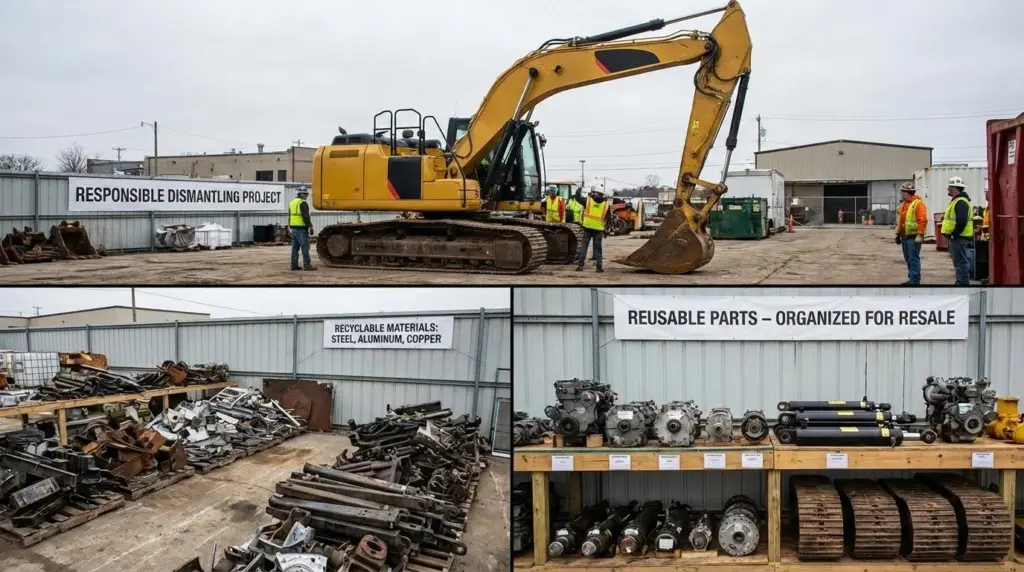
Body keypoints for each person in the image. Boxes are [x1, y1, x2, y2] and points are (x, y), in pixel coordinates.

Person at [940, 176, 973, 285]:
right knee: (959, 262)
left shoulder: (961, 202)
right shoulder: (958, 201)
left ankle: (961, 284)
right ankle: (962, 283)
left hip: (959, 238)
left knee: (960, 263)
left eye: (949, 187)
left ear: (954, 188)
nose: (948, 189)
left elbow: (962, 221)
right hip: (958, 237)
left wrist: (954, 234)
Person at [894, 182, 927, 285]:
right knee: (908, 259)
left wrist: (920, 234)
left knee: (913, 259)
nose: (901, 194)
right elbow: (901, 221)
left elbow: (922, 220)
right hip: (905, 236)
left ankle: (915, 281)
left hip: (913, 237)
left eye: (902, 192)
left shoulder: (918, 204)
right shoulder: (903, 205)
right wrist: (898, 235)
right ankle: (912, 278)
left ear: (905, 193)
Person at [576, 189, 612, 272]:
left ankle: (580, 266)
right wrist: (607, 229)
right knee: (598, 248)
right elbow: (609, 218)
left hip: (587, 227)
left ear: (593, 193)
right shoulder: (606, 204)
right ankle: (599, 267)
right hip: (599, 229)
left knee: (584, 246)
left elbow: (578, 198)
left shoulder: (588, 201)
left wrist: (579, 190)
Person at [288, 187, 316, 271]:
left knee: (295, 248)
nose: (306, 196)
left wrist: (290, 226)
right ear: (301, 194)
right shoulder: (303, 203)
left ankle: (294, 265)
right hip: (301, 228)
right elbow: (306, 217)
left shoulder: (292, 202)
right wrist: (310, 226)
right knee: (305, 247)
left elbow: (289, 215)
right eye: (305, 194)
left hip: (294, 227)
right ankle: (307, 265)